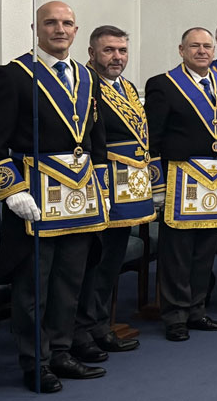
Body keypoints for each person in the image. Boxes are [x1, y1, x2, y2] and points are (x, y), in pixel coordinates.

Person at [0, 1, 108, 392]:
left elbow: (95, 141)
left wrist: (102, 189)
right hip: (34, 199)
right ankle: (36, 362)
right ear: (37, 28)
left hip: (81, 198)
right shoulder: (11, 76)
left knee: (70, 281)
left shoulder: (87, 77)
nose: (60, 29)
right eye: (51, 22)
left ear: (77, 30)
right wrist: (11, 191)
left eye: (67, 23)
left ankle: (62, 352)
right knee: (34, 285)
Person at [145, 27, 217, 341]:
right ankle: (174, 315)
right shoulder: (163, 84)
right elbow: (153, 140)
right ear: (181, 49)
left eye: (206, 46)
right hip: (180, 178)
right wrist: (157, 187)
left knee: (206, 251)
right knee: (177, 252)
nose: (202, 51)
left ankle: (197, 310)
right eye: (195, 46)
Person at [71, 25, 145, 364]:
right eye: (109, 50)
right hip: (98, 187)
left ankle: (100, 325)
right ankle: (79, 332)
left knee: (111, 261)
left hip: (130, 189)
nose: (117, 57)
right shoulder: (84, 86)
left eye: (122, 50)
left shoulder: (128, 88)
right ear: (91, 53)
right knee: (92, 264)